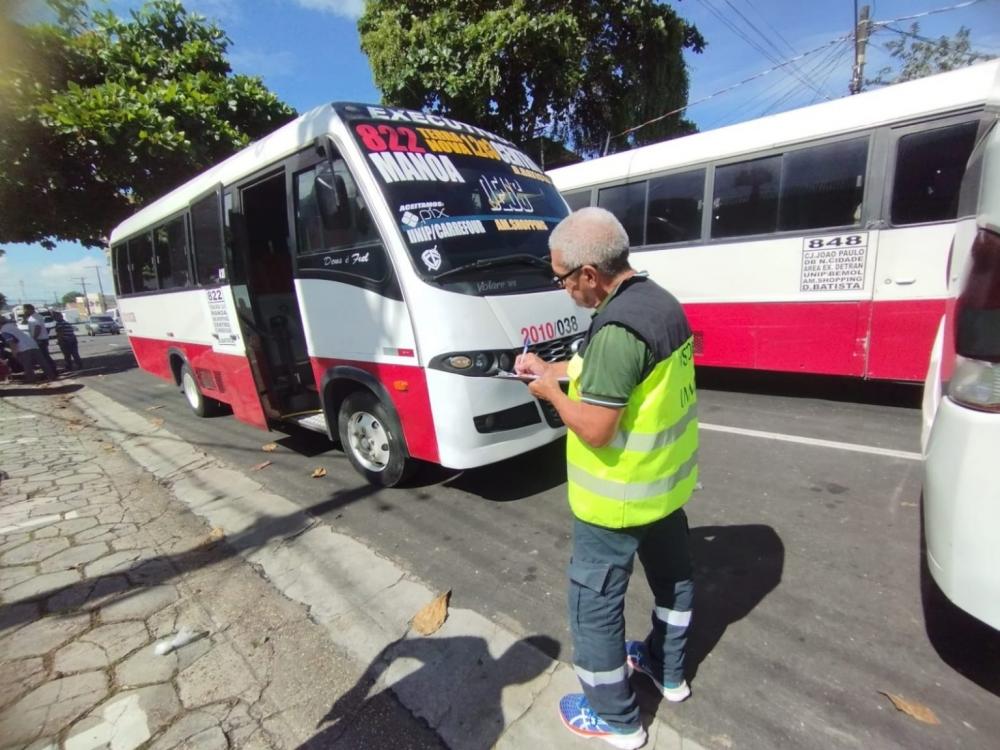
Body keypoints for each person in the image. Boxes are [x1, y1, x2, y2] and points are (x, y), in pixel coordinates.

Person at [515, 207, 698, 750]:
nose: (563, 288)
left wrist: (550, 394)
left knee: (594, 605)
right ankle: (669, 673)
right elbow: (614, 369)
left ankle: (615, 720)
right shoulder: (659, 302)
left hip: (615, 500)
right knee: (675, 581)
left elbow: (595, 427)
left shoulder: (617, 327)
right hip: (666, 489)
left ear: (589, 274)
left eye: (562, 278)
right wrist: (554, 370)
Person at [0, 313, 53, 383]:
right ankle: (51, 376)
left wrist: (14, 353)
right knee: (42, 362)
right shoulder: (11, 326)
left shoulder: (4, 331)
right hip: (33, 344)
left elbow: (12, 343)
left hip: (24, 348)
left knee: (27, 365)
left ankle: (32, 379)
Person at [22, 304, 58, 377]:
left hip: (40, 339)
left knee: (44, 357)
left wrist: (34, 338)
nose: (24, 311)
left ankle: (52, 371)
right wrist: (25, 317)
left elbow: (38, 328)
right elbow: (25, 323)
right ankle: (52, 371)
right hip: (40, 339)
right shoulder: (32, 317)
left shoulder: (35, 317)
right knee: (44, 356)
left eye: (25, 309)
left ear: (29, 309)